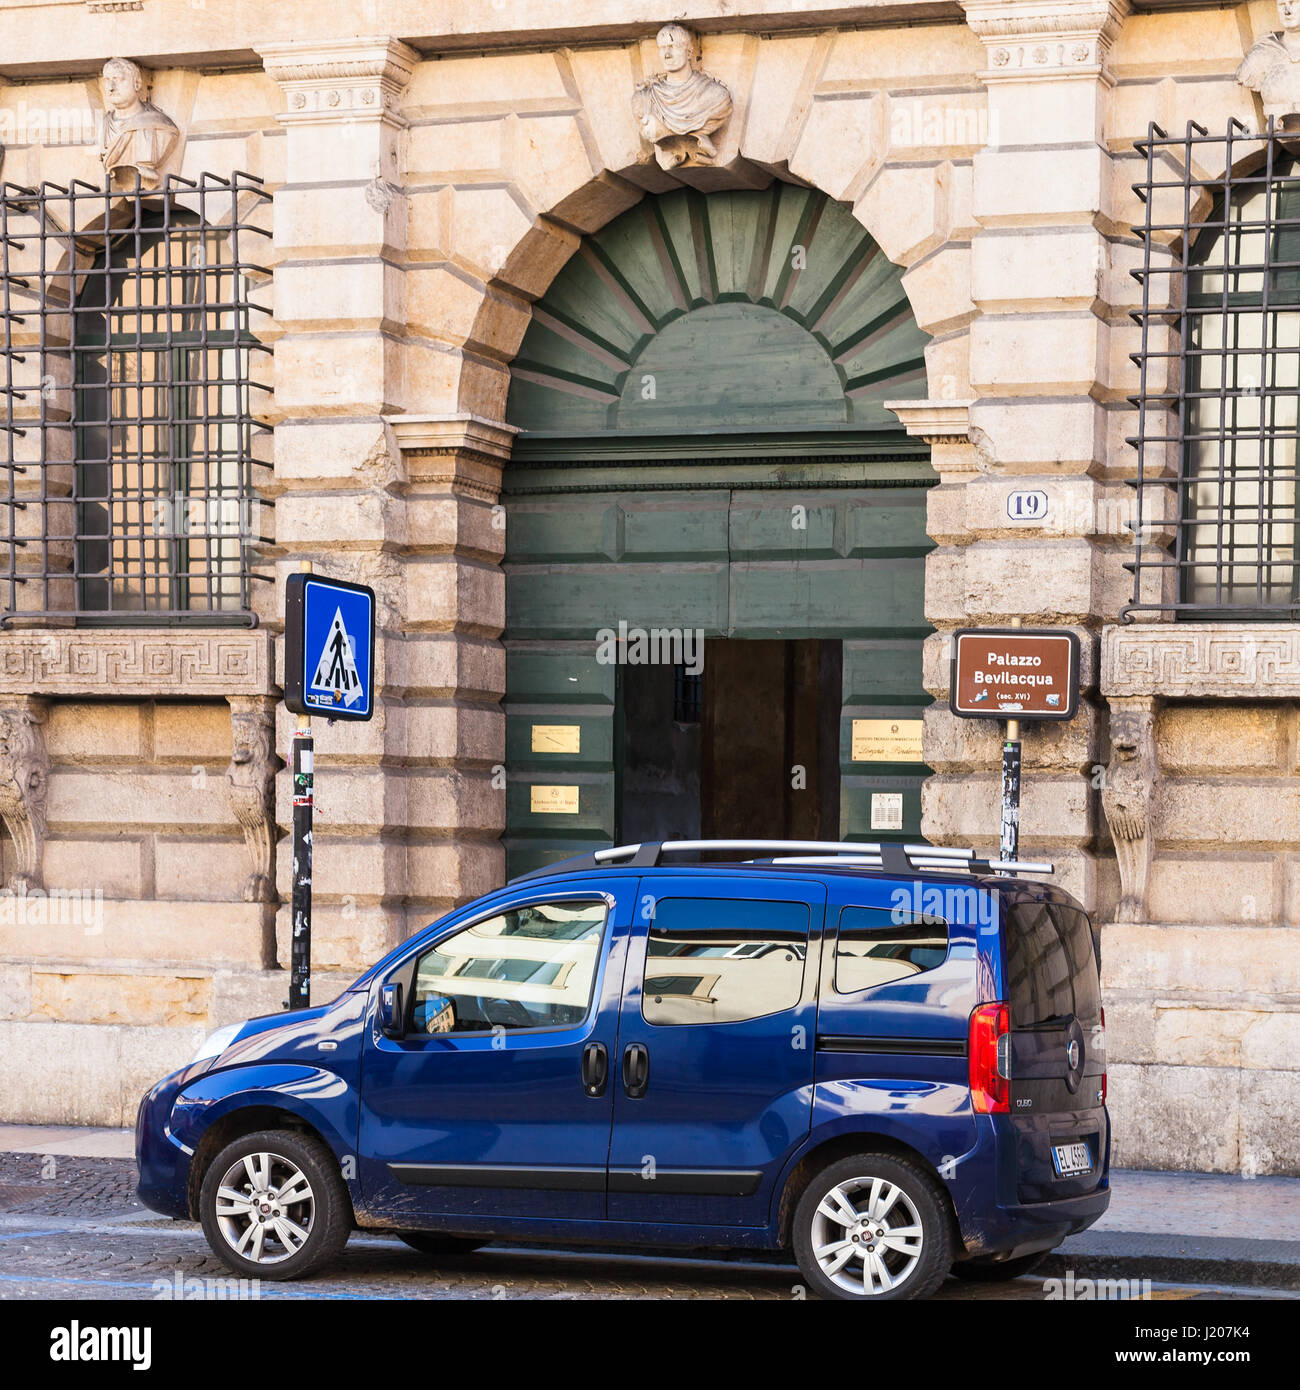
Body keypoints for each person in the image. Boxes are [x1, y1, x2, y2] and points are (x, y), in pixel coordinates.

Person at [632, 24, 732, 169]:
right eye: (662, 48)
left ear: (689, 52)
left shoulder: (716, 96)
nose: (667, 54)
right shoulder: (643, 99)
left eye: (673, 46)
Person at [100, 57, 179, 190]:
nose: (111, 88)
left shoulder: (161, 126)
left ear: (137, 83)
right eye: (107, 80)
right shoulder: (104, 125)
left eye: (118, 79)